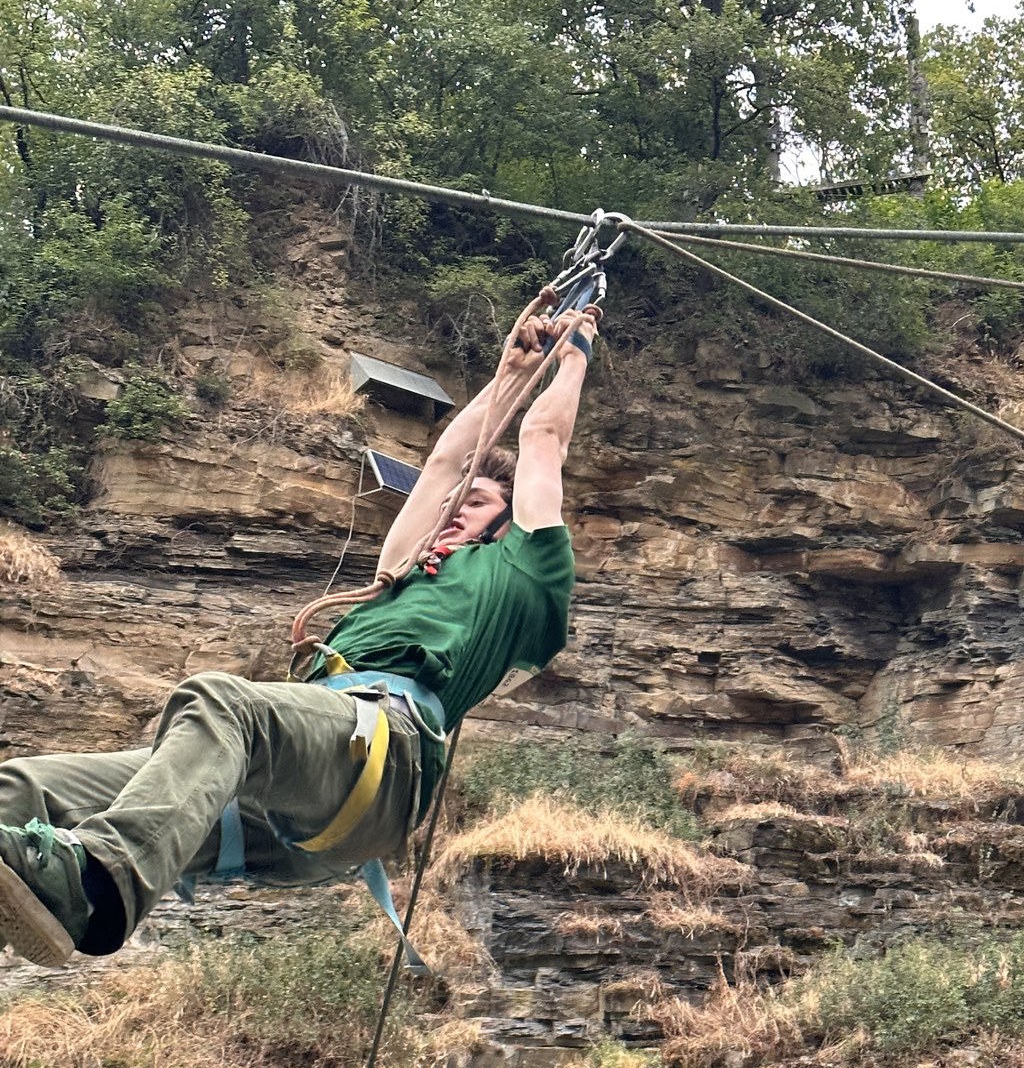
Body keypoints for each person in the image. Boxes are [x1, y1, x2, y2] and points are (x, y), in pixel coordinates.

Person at [0, 303, 598, 966]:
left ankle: (102, 881)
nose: (455, 509)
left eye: (477, 503)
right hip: (288, 790)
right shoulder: (401, 569)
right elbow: (443, 464)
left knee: (225, 704)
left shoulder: (524, 570)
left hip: (381, 760)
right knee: (27, 785)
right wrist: (510, 371)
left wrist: (573, 354)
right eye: (458, 501)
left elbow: (545, 439)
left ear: (507, 525)